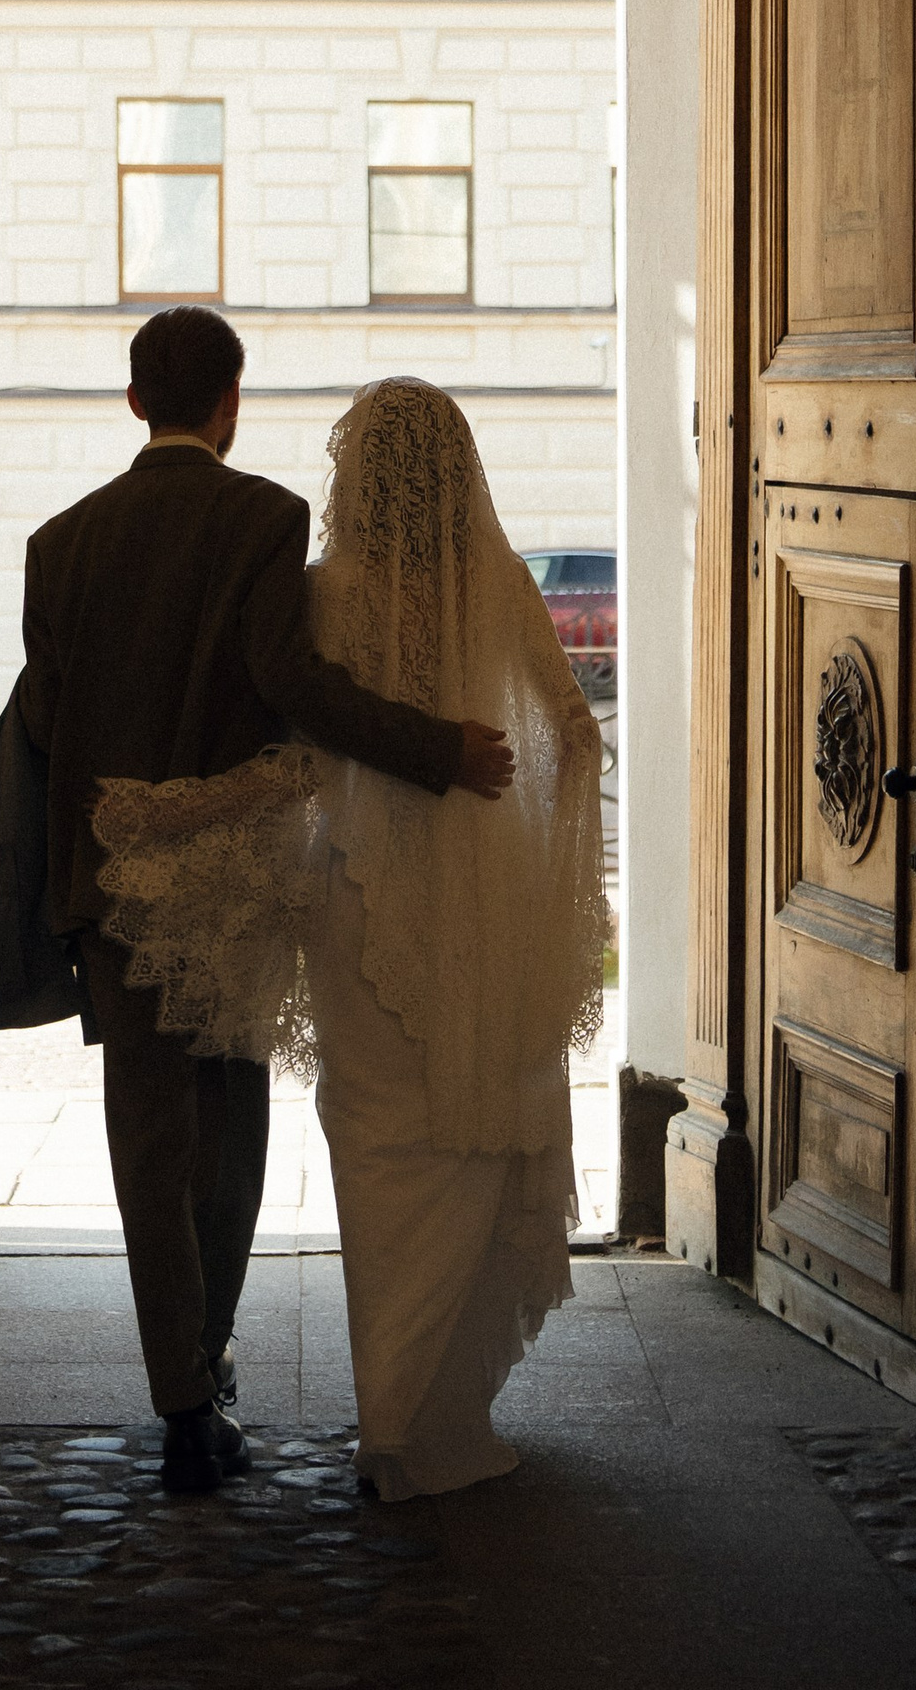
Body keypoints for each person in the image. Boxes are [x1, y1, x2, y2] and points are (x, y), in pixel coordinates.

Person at [16, 309, 515, 1497]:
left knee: (144, 1137)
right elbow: (292, 682)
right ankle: (210, 1348)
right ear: (229, 399)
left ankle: (182, 1403)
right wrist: (432, 745)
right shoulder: (264, 518)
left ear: (135, 401)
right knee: (227, 1125)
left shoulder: (57, 540)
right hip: (228, 876)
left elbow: (45, 715)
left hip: (109, 870)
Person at [95, 376, 607, 1502]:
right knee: (465, 1136)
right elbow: (571, 731)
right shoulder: (506, 585)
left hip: (357, 901)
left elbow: (298, 743)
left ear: (356, 478)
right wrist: (540, 857)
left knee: (373, 1142)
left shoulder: (323, 592)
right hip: (482, 898)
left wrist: (178, 808)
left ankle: (385, 1413)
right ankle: (420, 1414)